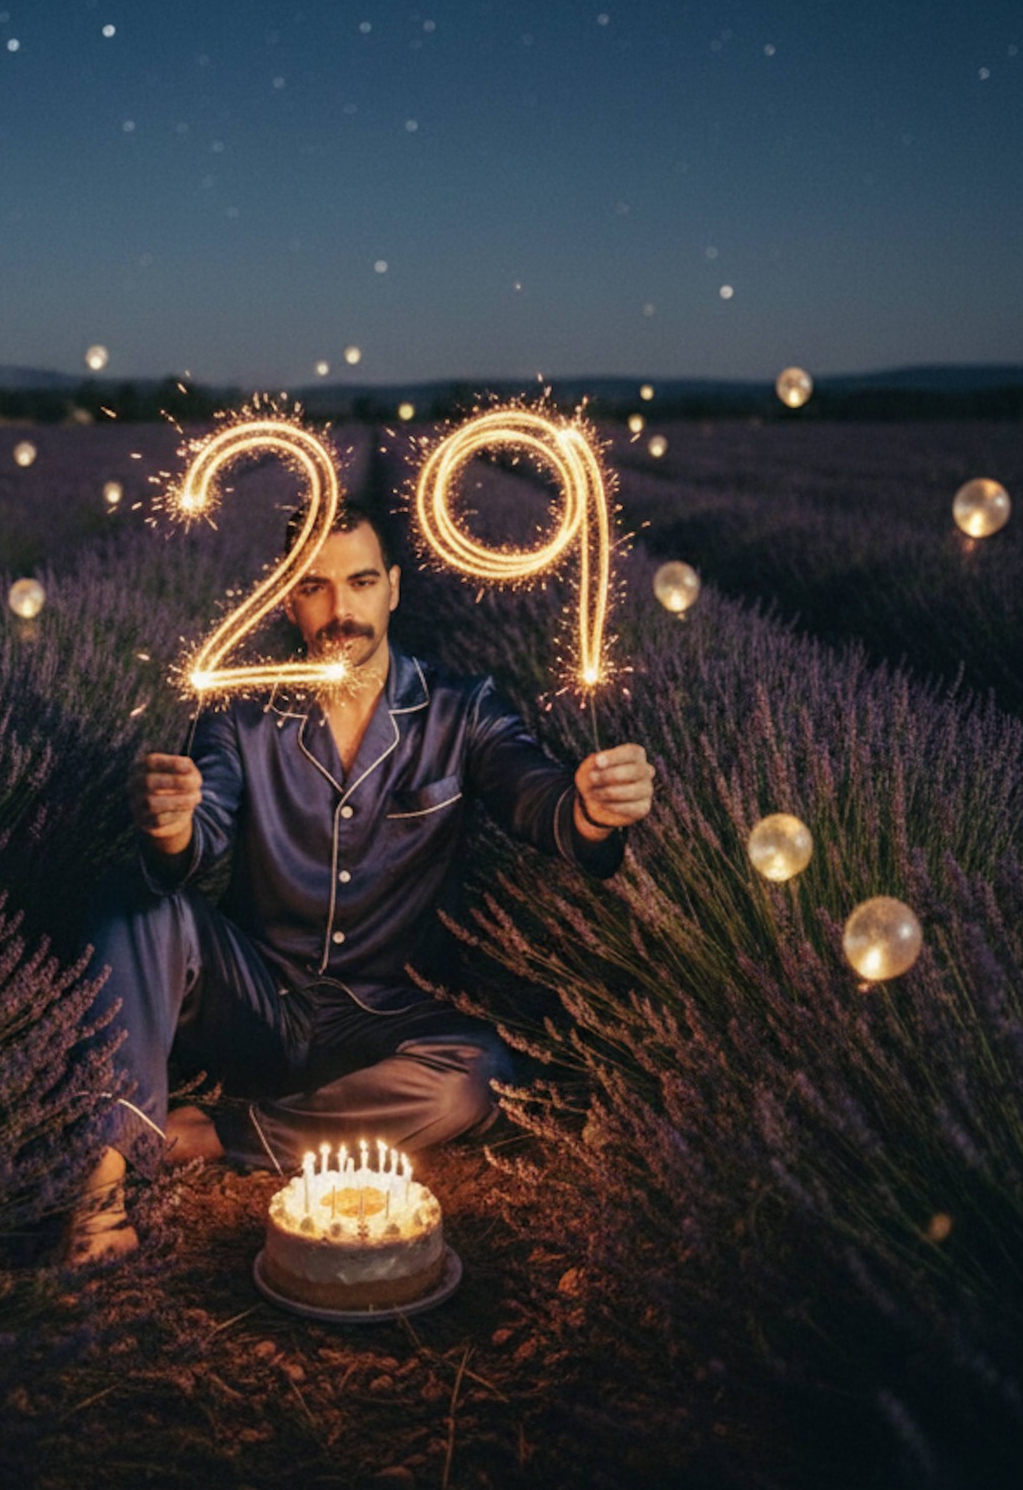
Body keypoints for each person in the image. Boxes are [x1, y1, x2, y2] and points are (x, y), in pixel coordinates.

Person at [66, 497, 654, 1264]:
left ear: (395, 588)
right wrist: (172, 831)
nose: (340, 609)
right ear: (285, 596)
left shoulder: (458, 709)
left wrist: (592, 812)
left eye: (361, 581)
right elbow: (198, 840)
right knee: (135, 905)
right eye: (314, 586)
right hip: (259, 999)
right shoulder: (240, 718)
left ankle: (216, 1133)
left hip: (387, 1020)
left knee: (474, 1079)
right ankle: (97, 1193)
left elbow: (538, 799)